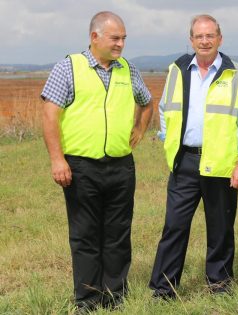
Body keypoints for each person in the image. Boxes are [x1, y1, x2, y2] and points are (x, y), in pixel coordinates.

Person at [40, 11, 152, 311]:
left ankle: (115, 297)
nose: (120, 45)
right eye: (115, 38)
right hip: (81, 168)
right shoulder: (68, 68)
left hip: (120, 167)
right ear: (95, 37)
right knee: (85, 235)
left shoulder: (128, 70)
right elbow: (50, 115)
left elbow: (147, 102)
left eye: (124, 39)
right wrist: (57, 160)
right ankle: (88, 299)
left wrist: (139, 129)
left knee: (118, 234)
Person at [149, 14, 238, 298]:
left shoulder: (236, 74)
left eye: (210, 36)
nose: (205, 41)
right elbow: (165, 108)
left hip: (221, 162)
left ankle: (219, 285)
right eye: (199, 36)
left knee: (220, 227)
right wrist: (167, 139)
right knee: (174, 226)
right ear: (191, 40)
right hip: (184, 161)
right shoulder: (178, 69)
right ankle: (164, 288)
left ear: (220, 39)